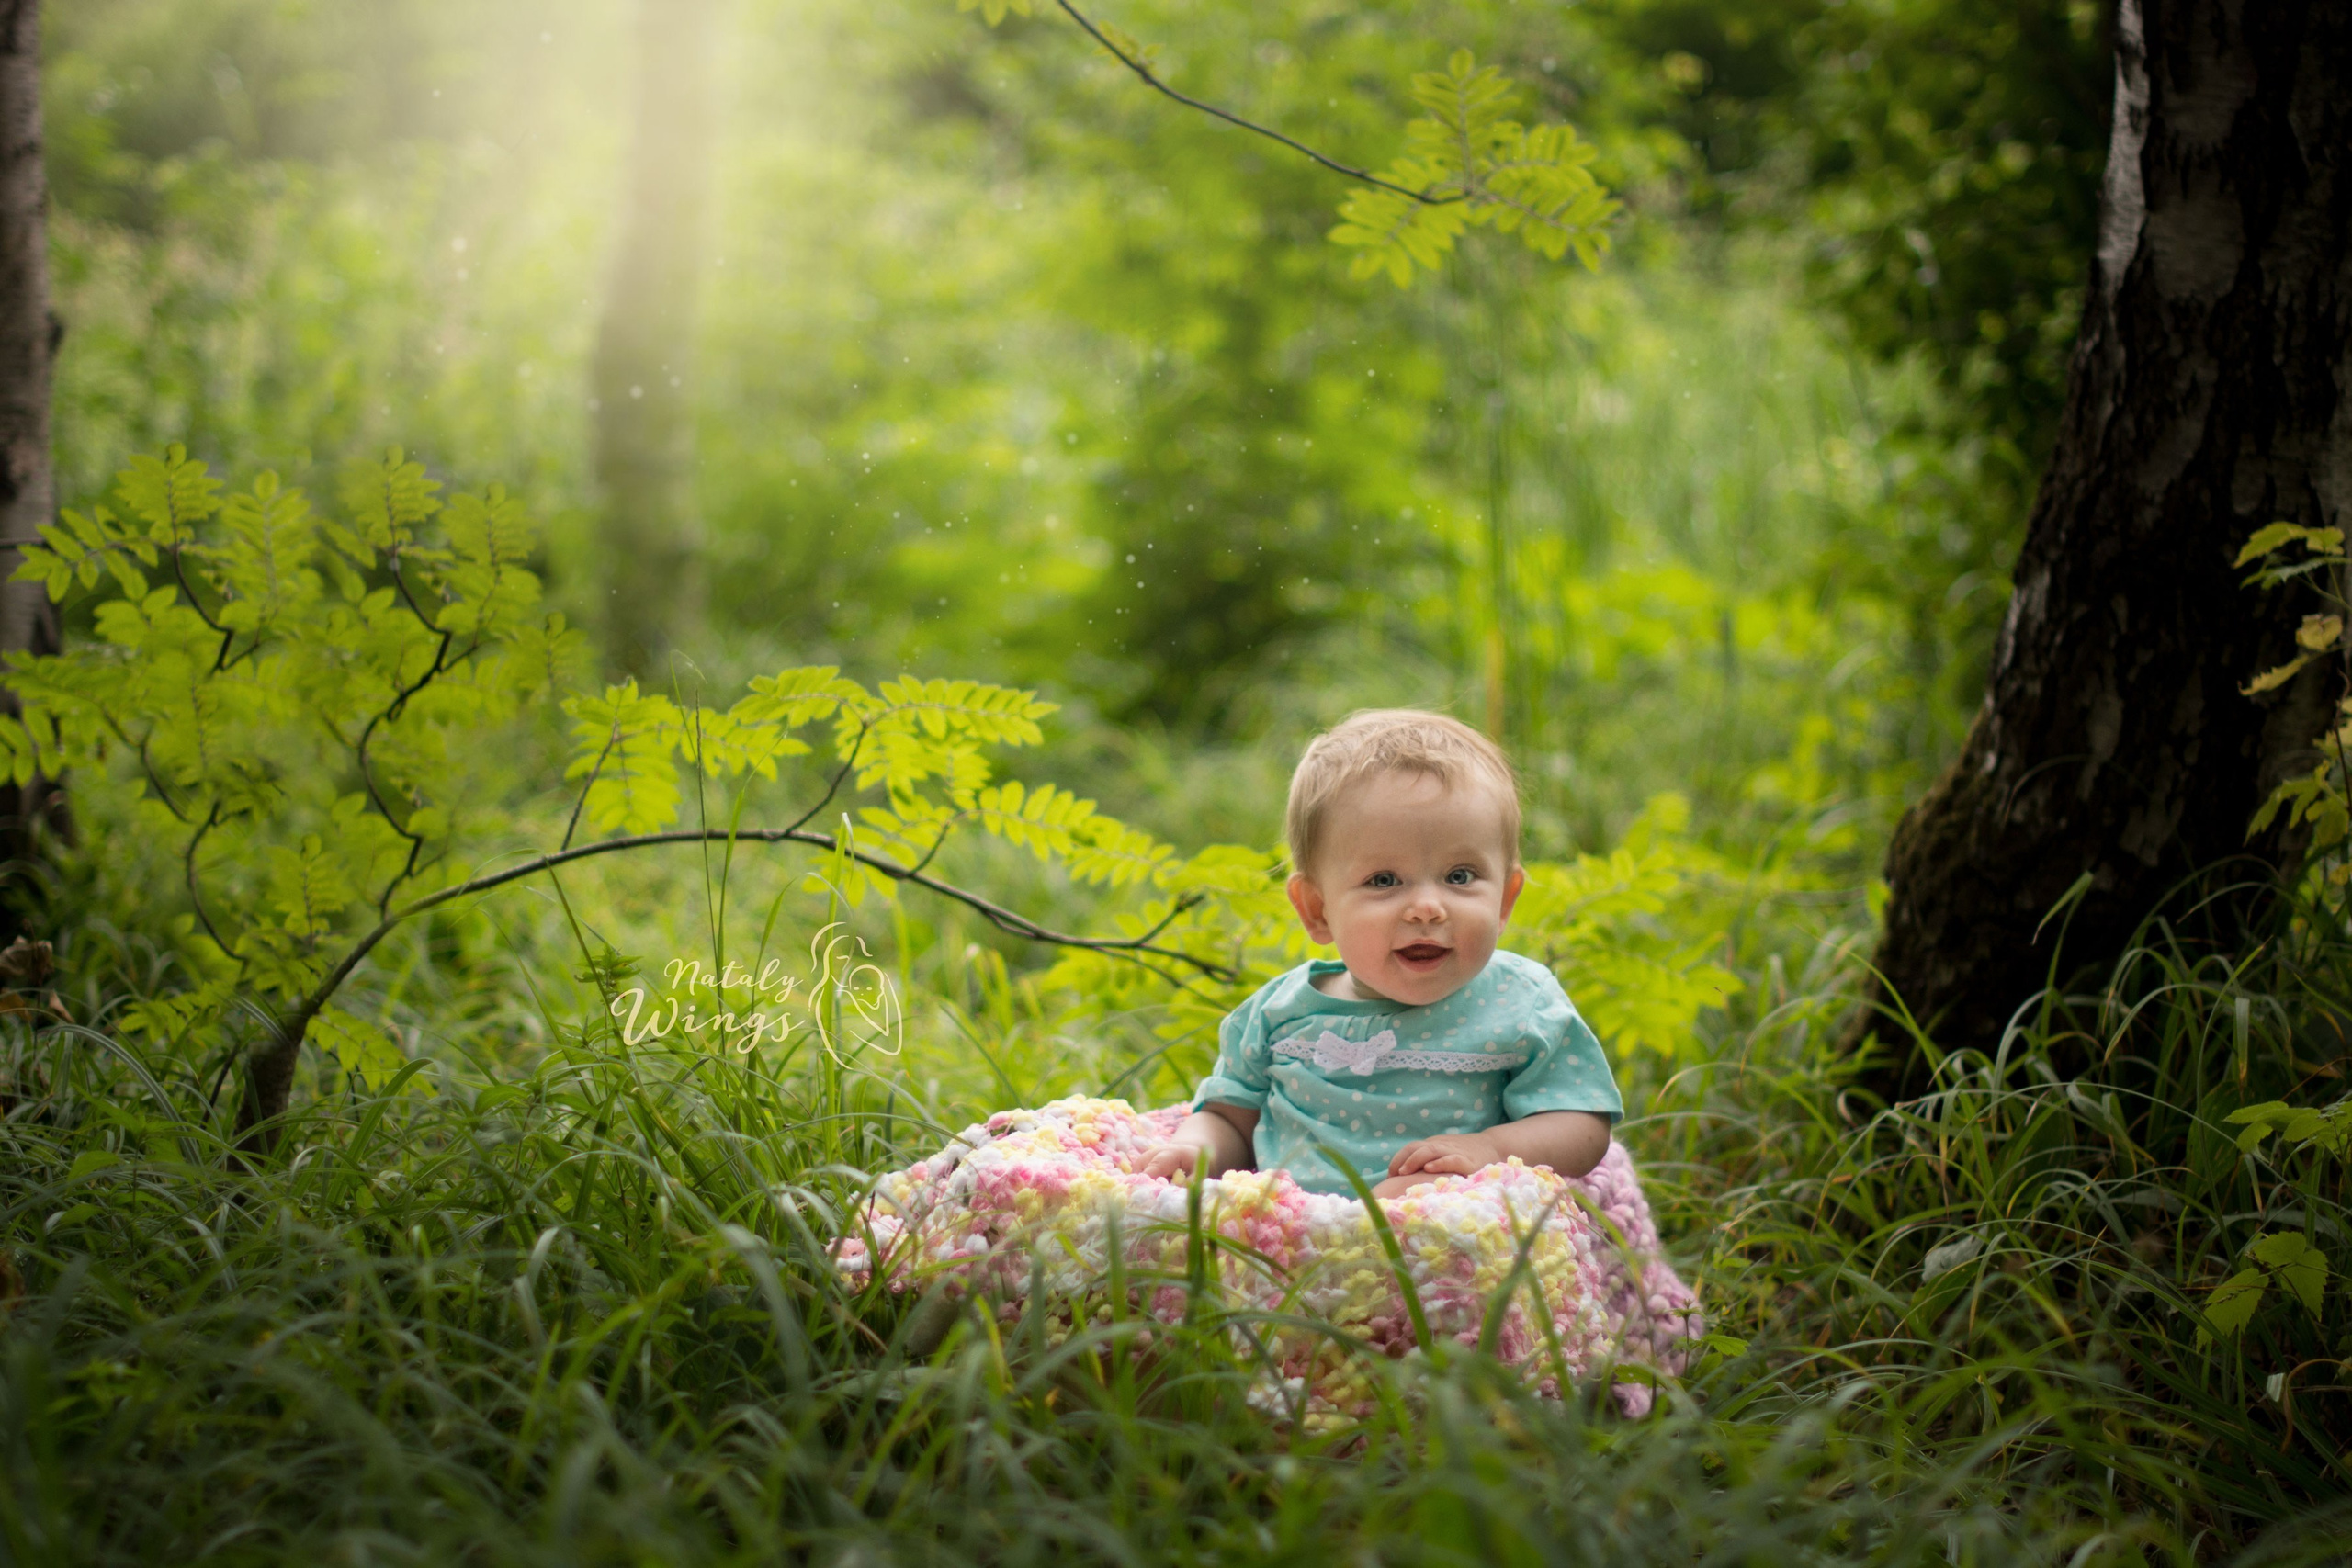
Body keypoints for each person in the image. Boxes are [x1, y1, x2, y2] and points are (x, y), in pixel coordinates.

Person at [1141, 709, 1621, 1200]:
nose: (1427, 908)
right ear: (1317, 909)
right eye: (1384, 881)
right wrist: (1197, 1150)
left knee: (1420, 1200)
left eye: (1459, 876)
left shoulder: (1520, 1002)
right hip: (1289, 1240)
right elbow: (1231, 1120)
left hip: (1445, 1245)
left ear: (1504, 899)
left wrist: (1490, 1149)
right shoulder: (1279, 1014)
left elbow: (1582, 1123)